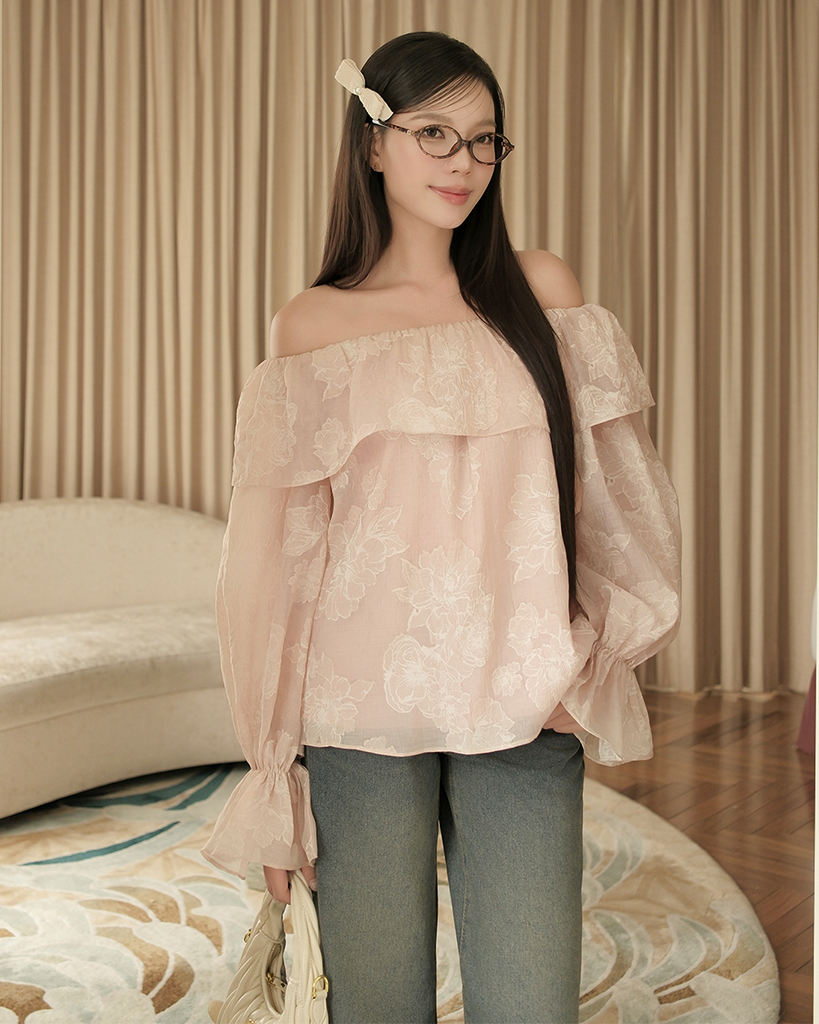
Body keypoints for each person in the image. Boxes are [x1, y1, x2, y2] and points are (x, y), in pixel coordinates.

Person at [203, 30, 681, 1024]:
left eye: (482, 139)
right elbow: (277, 569)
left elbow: (616, 502)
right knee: (377, 1005)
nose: (462, 161)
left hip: (525, 702)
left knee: (531, 1007)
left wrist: (588, 655)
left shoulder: (542, 291)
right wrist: (273, 772)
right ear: (374, 142)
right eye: (433, 133)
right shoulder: (311, 326)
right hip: (358, 717)